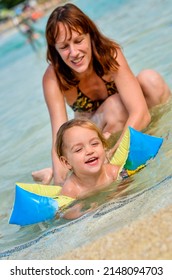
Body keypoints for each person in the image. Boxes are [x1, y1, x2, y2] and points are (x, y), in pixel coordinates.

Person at [32, 3, 170, 186]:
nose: (74, 53)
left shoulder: (108, 53)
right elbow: (59, 136)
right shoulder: (53, 77)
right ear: (55, 49)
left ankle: (163, 139)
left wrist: (115, 151)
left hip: (119, 134)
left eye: (78, 41)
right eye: (64, 46)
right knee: (116, 106)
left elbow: (141, 113)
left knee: (151, 80)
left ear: (90, 35)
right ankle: (74, 173)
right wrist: (60, 184)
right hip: (95, 135)